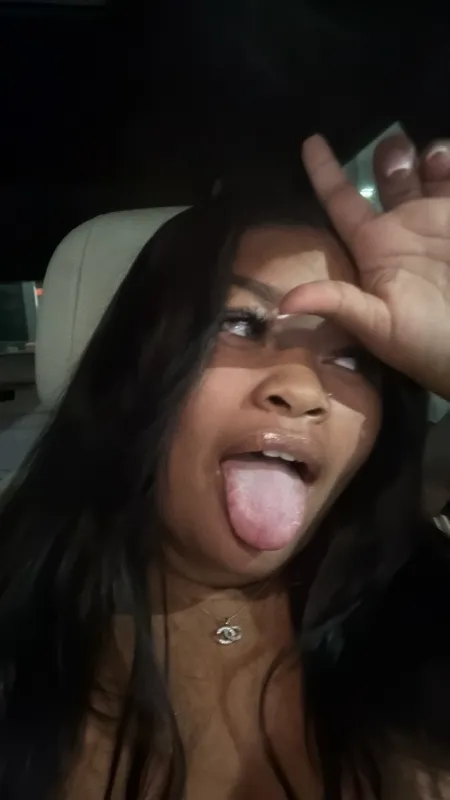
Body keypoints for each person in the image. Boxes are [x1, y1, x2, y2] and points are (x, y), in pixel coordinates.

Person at [0, 133, 450, 800]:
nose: (301, 388)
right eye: (240, 323)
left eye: (353, 358)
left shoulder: (424, 608)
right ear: (139, 362)